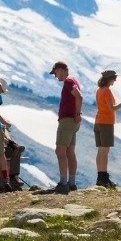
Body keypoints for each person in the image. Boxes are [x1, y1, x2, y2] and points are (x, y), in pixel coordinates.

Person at [93, 69, 121, 188]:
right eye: (114, 78)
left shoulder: (99, 90)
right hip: (106, 123)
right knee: (105, 151)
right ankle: (104, 178)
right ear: (109, 79)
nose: (115, 80)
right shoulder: (107, 91)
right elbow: (112, 108)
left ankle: (100, 177)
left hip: (98, 121)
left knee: (100, 150)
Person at [49, 60, 82, 194]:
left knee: (60, 151)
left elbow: (79, 96)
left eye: (56, 73)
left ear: (61, 69)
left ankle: (63, 183)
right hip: (73, 121)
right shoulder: (73, 80)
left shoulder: (68, 81)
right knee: (70, 152)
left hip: (67, 120)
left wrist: (77, 113)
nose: (56, 76)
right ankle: (72, 183)